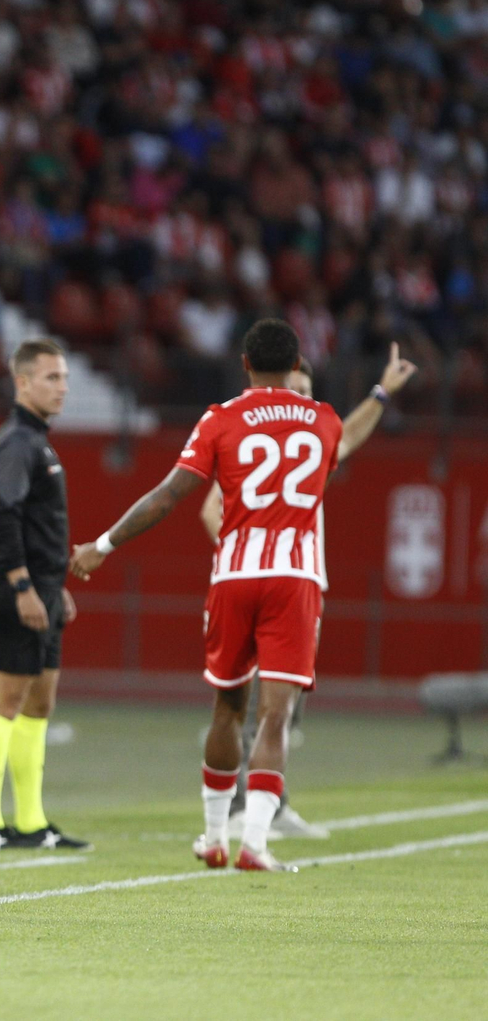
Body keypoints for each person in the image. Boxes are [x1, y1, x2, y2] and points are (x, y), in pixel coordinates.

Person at [71, 320, 343, 873]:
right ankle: (256, 845)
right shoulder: (325, 421)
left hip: (235, 574)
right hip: (295, 575)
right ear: (297, 367)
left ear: (244, 363)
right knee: (276, 716)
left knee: (227, 706)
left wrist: (103, 543)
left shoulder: (221, 418)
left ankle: (215, 838)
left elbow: (171, 494)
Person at [197, 345, 417, 841]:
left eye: (305, 394)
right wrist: (253, 554)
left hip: (295, 584)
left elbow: (349, 437)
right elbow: (211, 509)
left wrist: (381, 393)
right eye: (290, 389)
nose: (296, 401)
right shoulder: (250, 443)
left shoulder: (313, 439)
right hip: (261, 582)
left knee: (283, 708)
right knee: (248, 706)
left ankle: (272, 806)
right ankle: (238, 811)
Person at [0, 339, 89, 852]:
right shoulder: (18, 442)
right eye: (51, 378)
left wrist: (52, 586)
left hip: (43, 588)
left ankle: (32, 821)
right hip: (19, 589)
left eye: (64, 377)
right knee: (5, 701)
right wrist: (22, 585)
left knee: (40, 701)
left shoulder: (37, 441)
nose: (62, 387)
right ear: (22, 382)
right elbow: (4, 515)